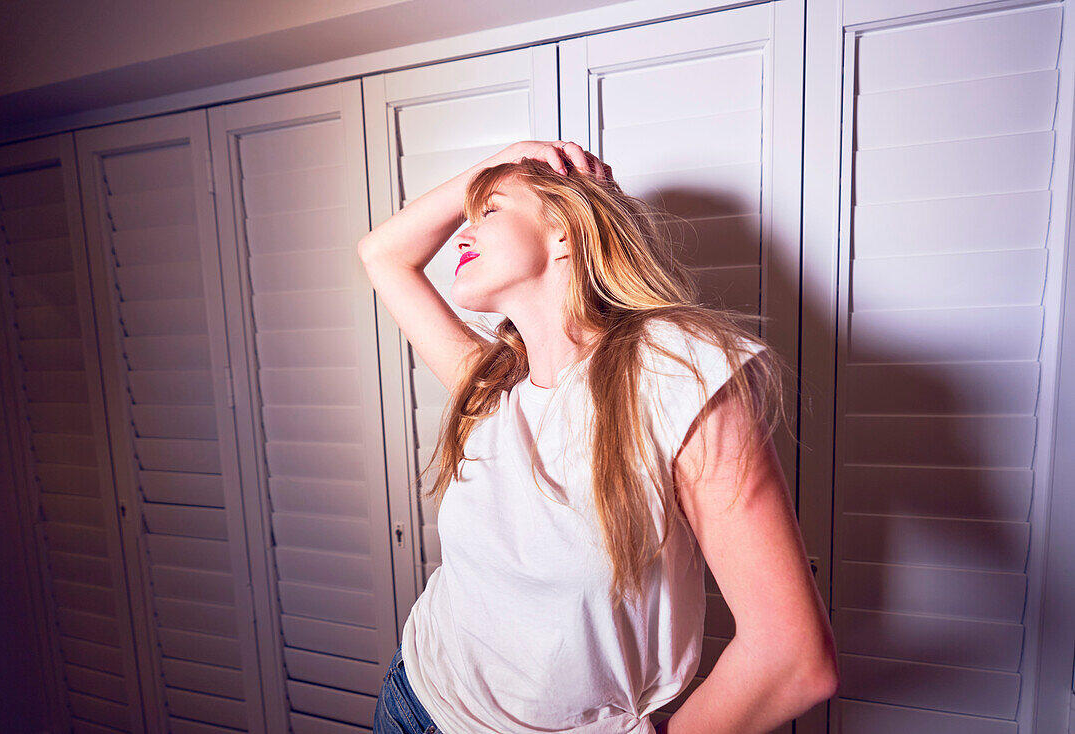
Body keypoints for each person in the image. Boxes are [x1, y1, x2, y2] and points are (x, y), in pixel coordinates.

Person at [358, 141, 839, 734]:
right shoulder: (488, 389)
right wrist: (500, 164)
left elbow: (793, 659)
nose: (461, 231)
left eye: (488, 211)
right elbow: (381, 254)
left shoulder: (677, 373)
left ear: (566, 233)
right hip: (414, 699)